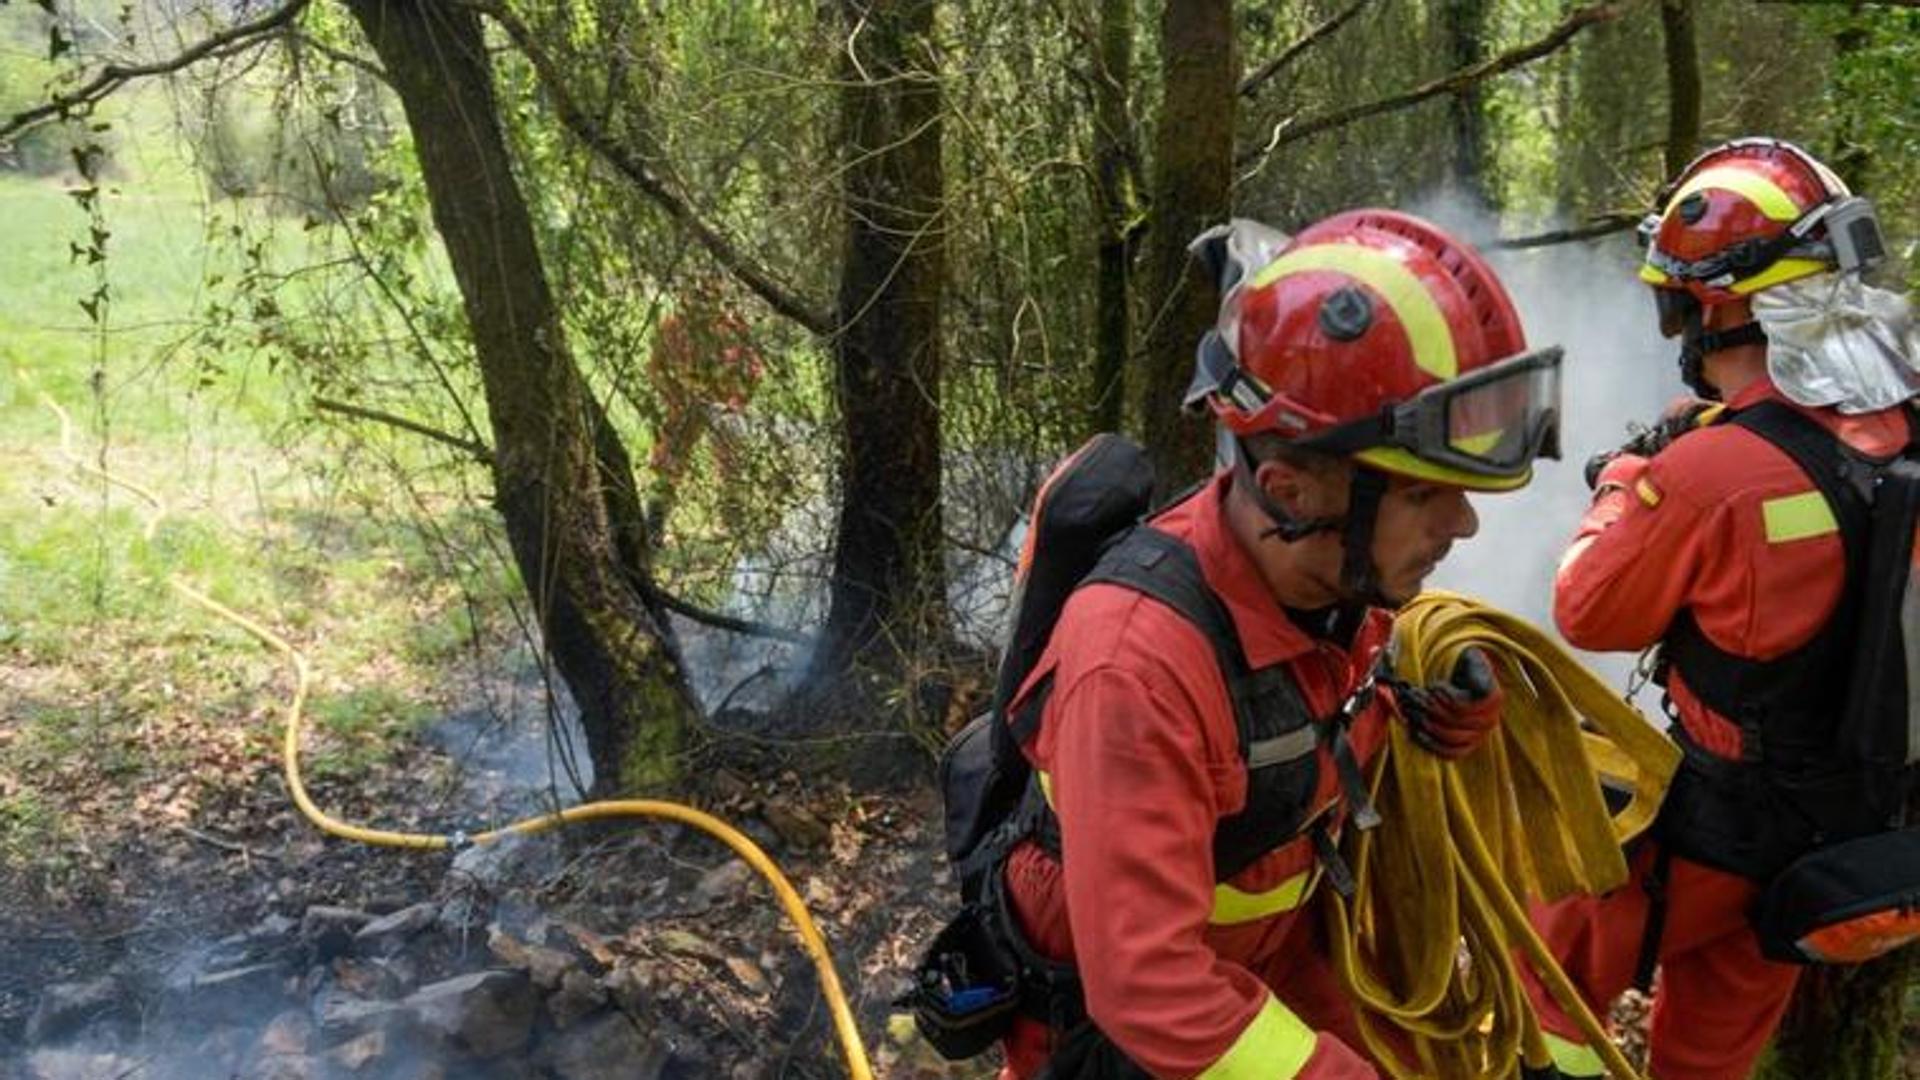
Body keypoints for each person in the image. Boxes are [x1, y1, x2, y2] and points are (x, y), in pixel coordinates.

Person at [994, 209, 1564, 1078]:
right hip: (1131, 1030)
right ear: (1292, 491)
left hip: (1273, 958)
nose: (1465, 523)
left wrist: (1430, 695)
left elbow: (1328, 690)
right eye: (1424, 497)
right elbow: (1150, 985)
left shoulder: (1336, 587)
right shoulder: (1136, 667)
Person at [1524, 137, 1911, 1080]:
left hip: (1712, 826)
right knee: (1710, 1055)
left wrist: (1627, 480)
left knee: (1537, 982)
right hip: (1842, 837)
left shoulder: (1708, 473)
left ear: (1724, 306)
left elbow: (1590, 610)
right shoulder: (1897, 433)